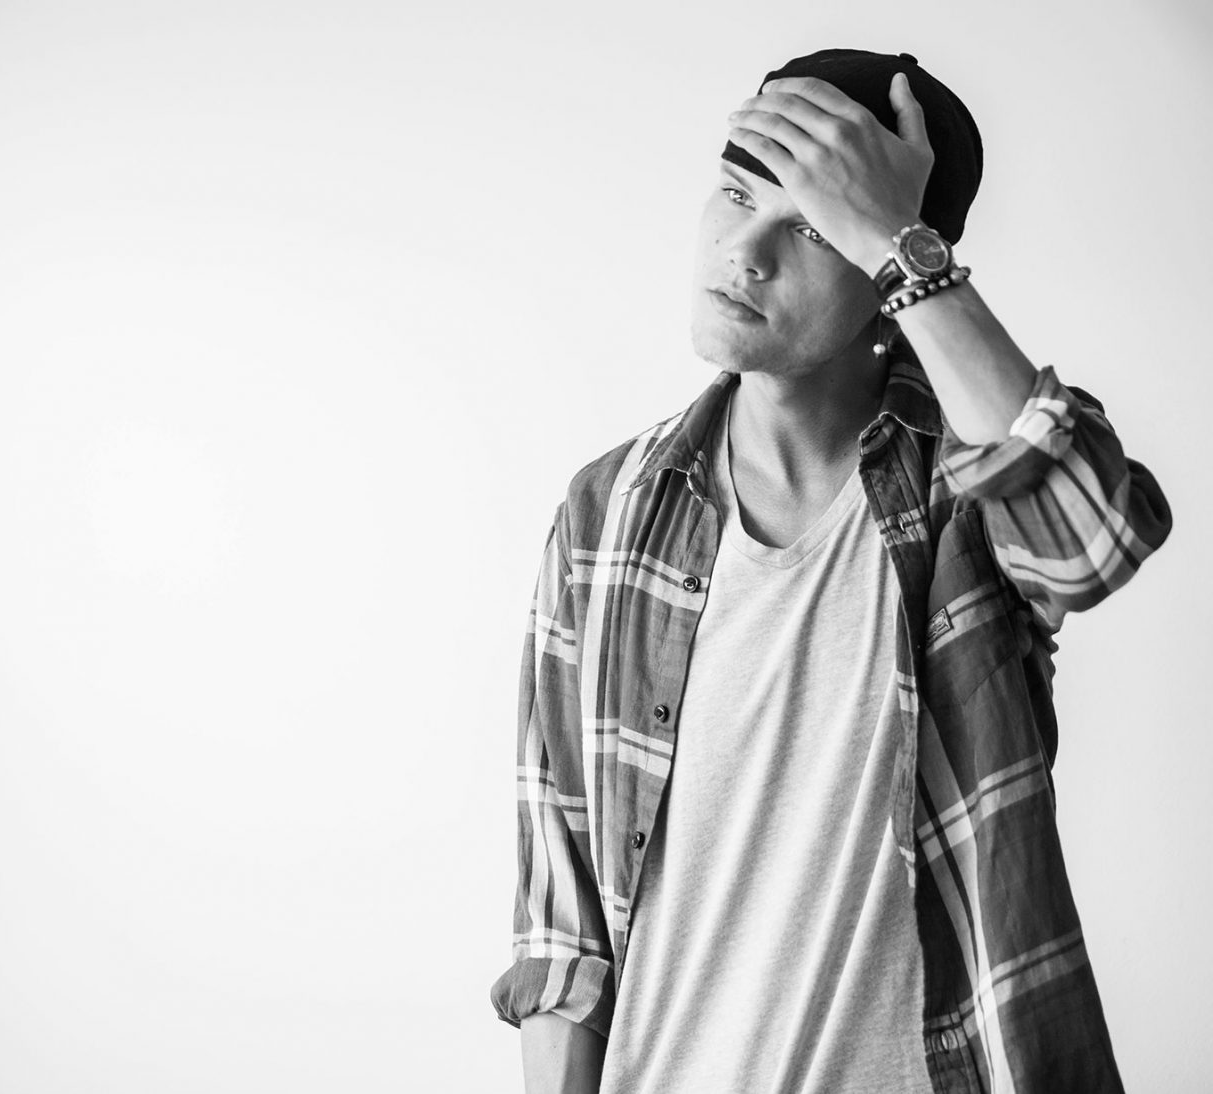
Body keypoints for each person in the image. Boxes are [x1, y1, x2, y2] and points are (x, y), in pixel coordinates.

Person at [488, 48, 1173, 1094]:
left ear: (887, 269)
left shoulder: (963, 486)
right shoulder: (608, 512)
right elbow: (561, 925)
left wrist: (901, 246)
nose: (745, 253)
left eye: (811, 227)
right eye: (736, 194)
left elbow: (1091, 541)